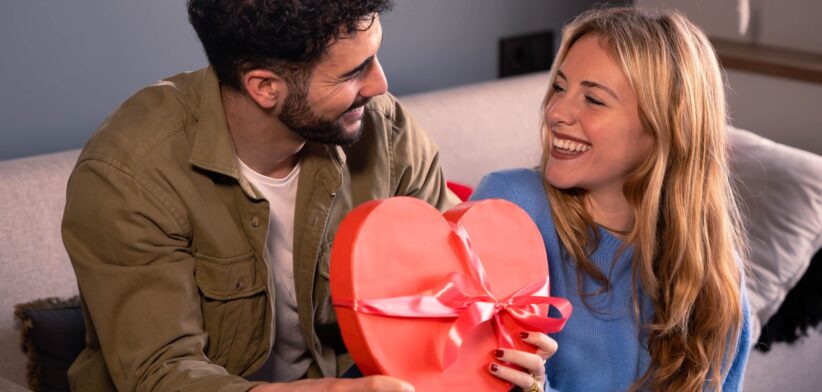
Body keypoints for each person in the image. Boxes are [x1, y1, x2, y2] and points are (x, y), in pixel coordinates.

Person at [62, 1, 554, 391]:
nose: (381, 84)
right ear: (264, 87)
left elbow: (459, 292)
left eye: (374, 56)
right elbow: (160, 373)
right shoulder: (128, 175)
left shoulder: (386, 131)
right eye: (352, 72)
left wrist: (504, 349)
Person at [472, 7, 752, 392]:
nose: (555, 112)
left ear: (663, 127)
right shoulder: (510, 207)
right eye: (559, 87)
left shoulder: (716, 278)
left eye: (594, 100)